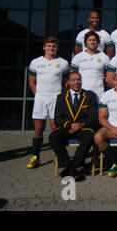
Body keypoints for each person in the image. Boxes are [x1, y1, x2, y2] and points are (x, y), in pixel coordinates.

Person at [27, 36, 69, 169]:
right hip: (41, 98)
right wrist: (37, 95)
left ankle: (58, 155)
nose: (51, 48)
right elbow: (31, 81)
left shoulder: (63, 63)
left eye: (54, 46)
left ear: (57, 48)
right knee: (38, 128)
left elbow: (66, 82)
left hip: (56, 99)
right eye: (49, 46)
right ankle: (35, 156)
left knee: (55, 128)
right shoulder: (35, 62)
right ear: (44, 47)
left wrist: (61, 96)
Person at [50, 71, 98, 181]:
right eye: (74, 80)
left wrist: (79, 125)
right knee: (53, 137)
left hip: (83, 128)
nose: (77, 82)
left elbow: (93, 117)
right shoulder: (61, 97)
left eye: (79, 79)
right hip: (67, 128)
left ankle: (74, 166)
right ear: (68, 82)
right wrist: (70, 125)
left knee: (89, 137)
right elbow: (57, 119)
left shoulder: (89, 95)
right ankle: (69, 166)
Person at [71, 31, 111, 100]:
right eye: (90, 40)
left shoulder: (105, 57)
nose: (92, 42)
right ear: (86, 42)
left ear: (98, 42)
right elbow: (72, 76)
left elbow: (108, 76)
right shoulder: (78, 57)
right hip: (82, 91)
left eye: (94, 40)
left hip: (99, 92)